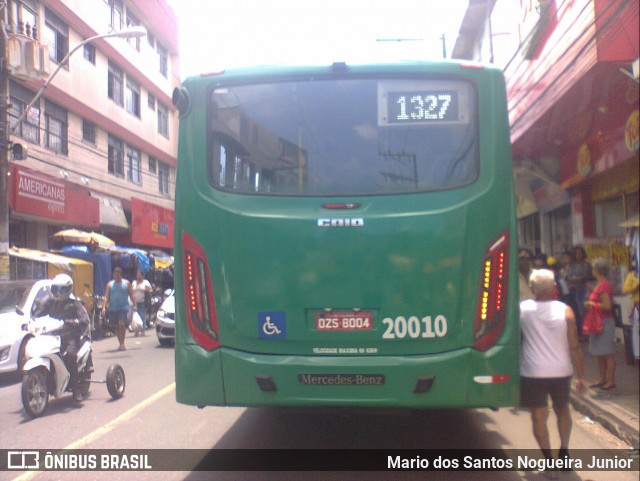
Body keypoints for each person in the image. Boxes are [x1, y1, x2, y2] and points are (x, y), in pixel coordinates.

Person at [520, 269, 586, 473]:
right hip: (561, 370)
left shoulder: (522, 309)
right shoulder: (566, 311)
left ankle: (549, 462)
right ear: (554, 288)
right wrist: (581, 375)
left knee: (538, 416)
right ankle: (564, 451)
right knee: (562, 409)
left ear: (532, 289)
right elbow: (574, 346)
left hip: (533, 372)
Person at [34, 274, 90, 401]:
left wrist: (75, 321)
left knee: (70, 355)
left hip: (69, 336)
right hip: (52, 335)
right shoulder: (50, 302)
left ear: (68, 289)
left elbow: (84, 319)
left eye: (62, 290)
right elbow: (38, 314)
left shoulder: (74, 304)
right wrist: (31, 321)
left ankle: (75, 389)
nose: (58, 293)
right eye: (56, 289)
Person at [584, 258, 616, 390]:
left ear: (597, 270)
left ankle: (610, 380)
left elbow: (607, 306)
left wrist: (593, 304)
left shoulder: (604, 286)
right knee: (599, 353)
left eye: (593, 268)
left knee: (607, 353)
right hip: (596, 322)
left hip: (604, 322)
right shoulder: (599, 284)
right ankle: (602, 378)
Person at [101, 267, 136, 351]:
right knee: (116, 326)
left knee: (122, 324)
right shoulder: (110, 285)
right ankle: (120, 343)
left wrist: (135, 304)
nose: (116, 277)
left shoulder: (126, 283)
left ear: (121, 275)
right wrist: (103, 307)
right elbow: (106, 296)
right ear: (113, 275)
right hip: (113, 308)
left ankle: (122, 344)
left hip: (123, 307)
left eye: (118, 275)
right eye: (115, 275)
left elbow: (132, 294)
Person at [567, 246, 592, 336]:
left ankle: (585, 332)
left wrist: (579, 279)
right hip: (572, 290)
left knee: (582, 311)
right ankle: (578, 332)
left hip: (582, 290)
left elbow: (588, 276)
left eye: (580, 253)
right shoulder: (573, 266)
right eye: (576, 254)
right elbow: (568, 276)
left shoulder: (586, 265)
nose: (578, 255)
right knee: (575, 312)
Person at [132, 270, 152, 336]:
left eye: (139, 274)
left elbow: (150, 289)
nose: (138, 276)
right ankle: (136, 331)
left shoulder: (145, 282)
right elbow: (131, 291)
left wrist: (145, 289)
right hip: (135, 302)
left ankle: (143, 331)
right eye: (137, 275)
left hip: (143, 302)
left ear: (142, 276)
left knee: (142, 316)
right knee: (136, 317)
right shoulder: (134, 283)